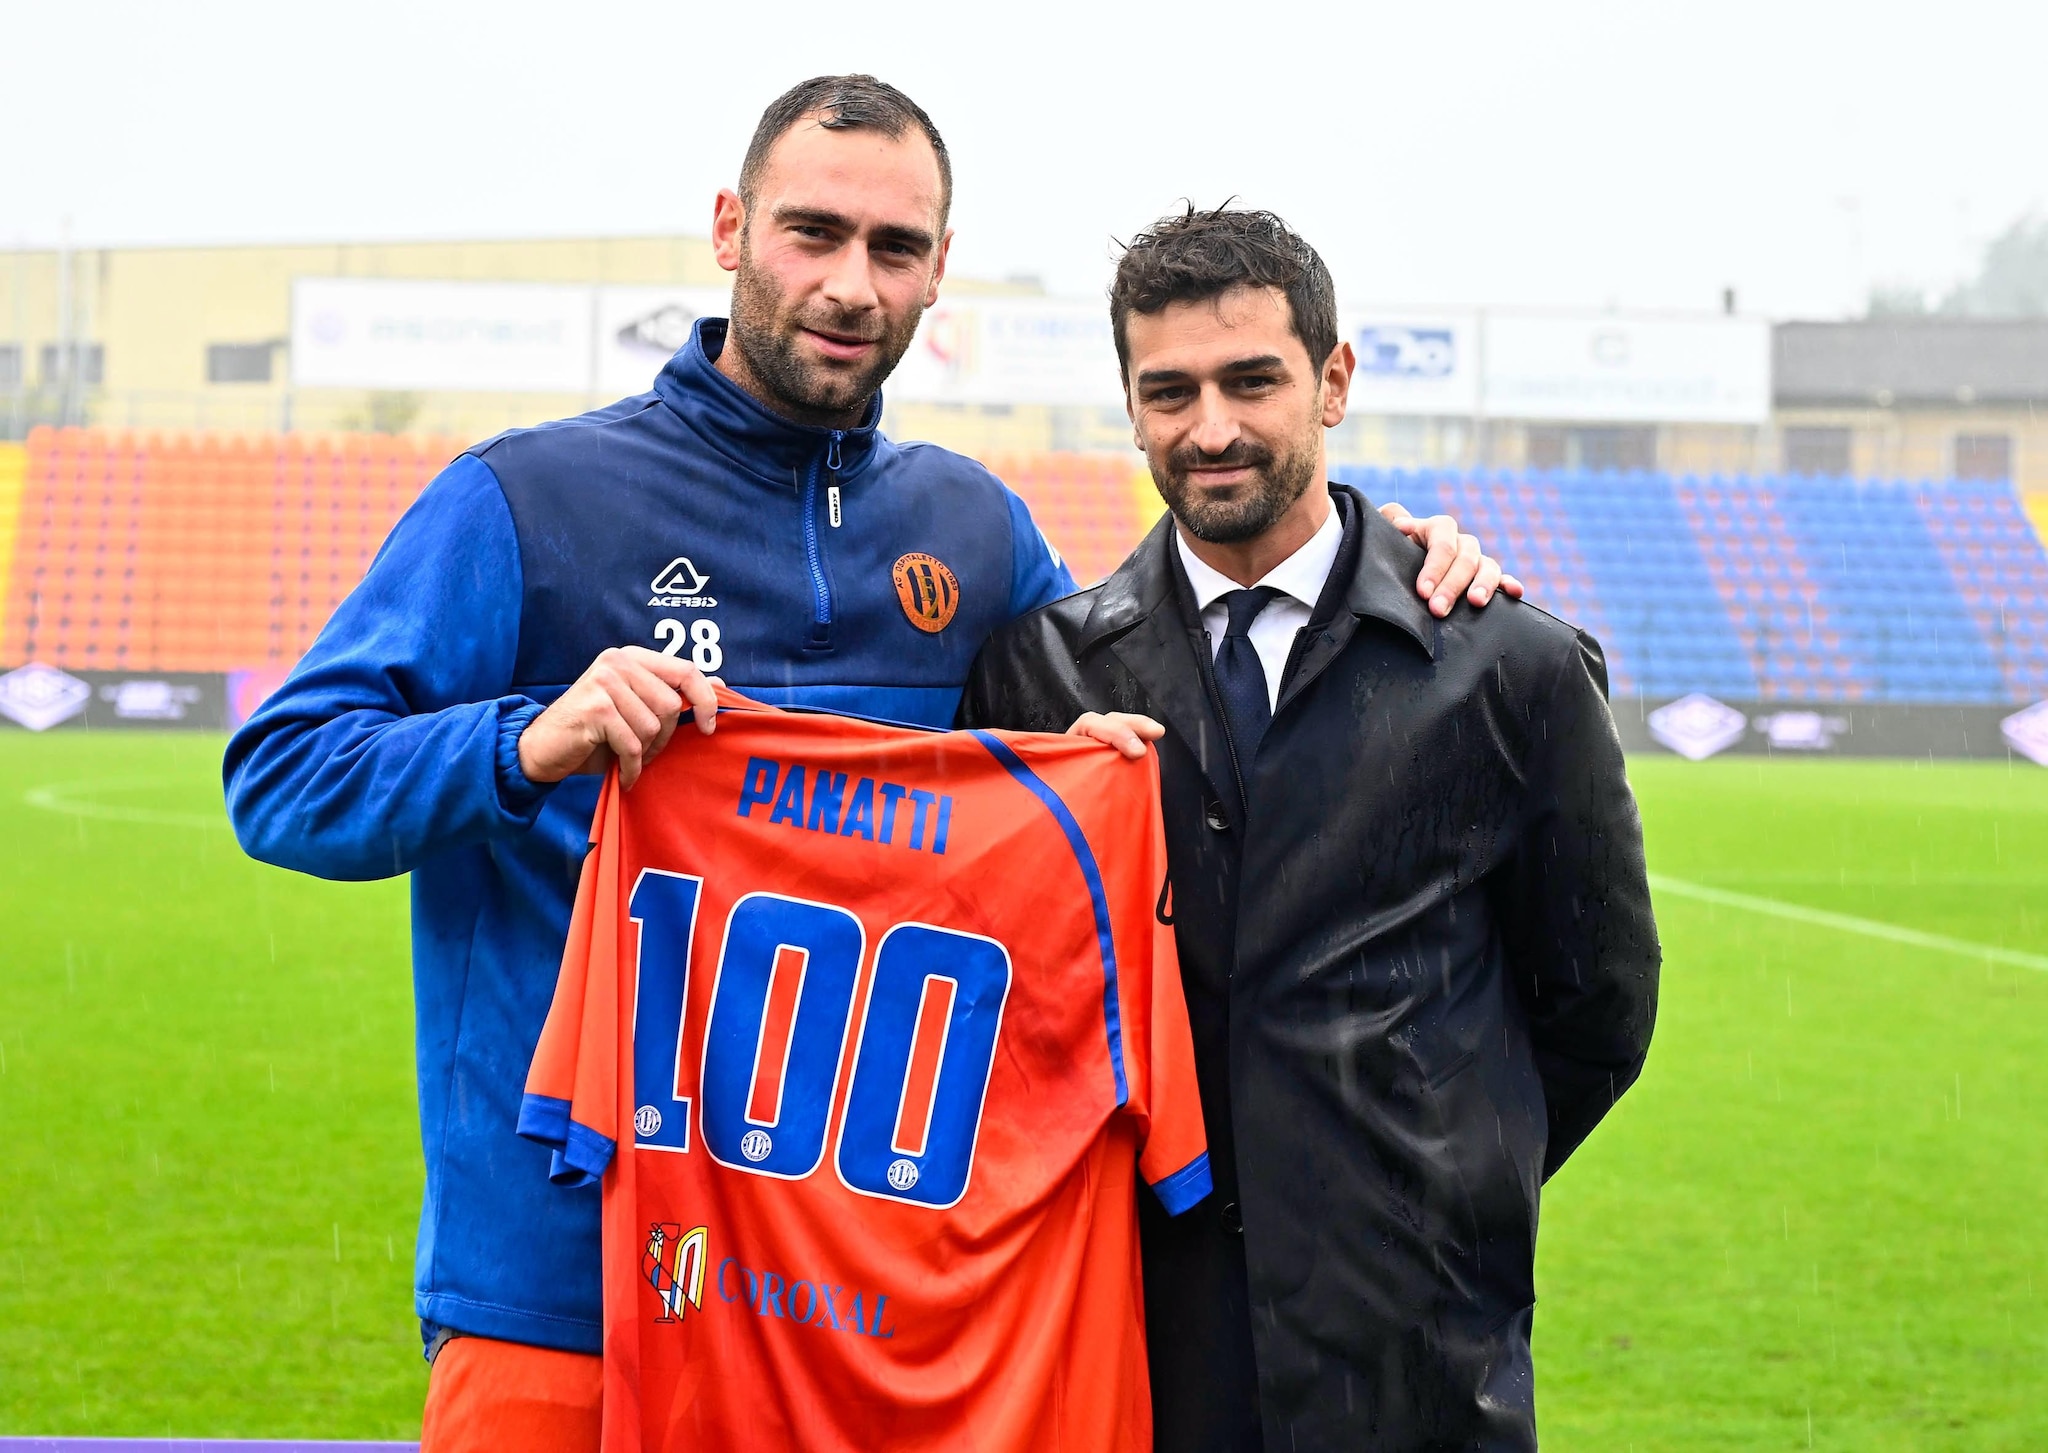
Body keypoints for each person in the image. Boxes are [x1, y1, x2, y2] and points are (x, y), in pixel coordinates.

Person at [222, 79, 1509, 1448]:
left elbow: (1146, 688)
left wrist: (1366, 549)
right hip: (568, 1284)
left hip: (866, 1304)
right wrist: (525, 739)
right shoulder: (527, 501)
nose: (849, 284)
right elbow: (285, 777)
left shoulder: (970, 530)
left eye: (894, 250)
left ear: (938, 270)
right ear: (730, 229)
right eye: (811, 233)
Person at [959, 205, 1661, 1452]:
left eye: (1251, 381)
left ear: (1331, 381)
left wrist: (1424, 1191)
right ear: (1128, 404)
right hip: (1131, 1342)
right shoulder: (1040, 676)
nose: (1210, 427)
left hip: (1415, 1365)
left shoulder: (1507, 668)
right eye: (1166, 390)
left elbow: (1594, 1008)